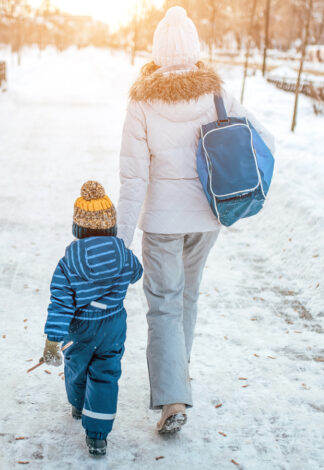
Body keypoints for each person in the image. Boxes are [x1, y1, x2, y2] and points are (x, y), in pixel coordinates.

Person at [117, 6, 276, 434]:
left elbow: (134, 178)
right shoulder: (217, 94)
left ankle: (172, 397)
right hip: (208, 218)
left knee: (164, 305)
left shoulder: (142, 101)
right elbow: (265, 138)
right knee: (187, 299)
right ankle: (177, 379)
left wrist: (120, 240)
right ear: (194, 48)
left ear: (156, 51)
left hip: (162, 222)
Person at [41, 181, 143, 456]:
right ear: (111, 224)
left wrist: (53, 340)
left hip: (80, 327)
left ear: (78, 228)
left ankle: (77, 404)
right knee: (106, 374)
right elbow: (137, 272)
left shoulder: (68, 262)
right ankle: (98, 437)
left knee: (77, 367)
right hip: (113, 324)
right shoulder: (122, 252)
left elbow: (60, 303)